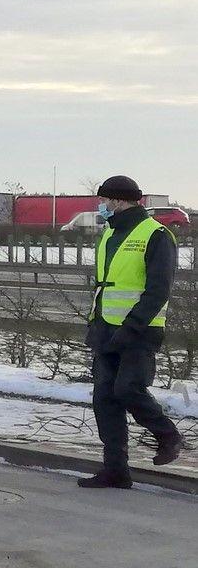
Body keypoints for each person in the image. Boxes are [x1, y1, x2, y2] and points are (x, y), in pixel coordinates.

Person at [79, 175, 186, 488]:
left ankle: (168, 436)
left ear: (117, 201)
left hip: (138, 331)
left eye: (104, 201)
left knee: (128, 389)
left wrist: (131, 327)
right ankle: (115, 470)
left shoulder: (156, 235)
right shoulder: (110, 235)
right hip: (105, 329)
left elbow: (158, 290)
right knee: (105, 399)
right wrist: (96, 324)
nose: (101, 207)